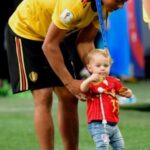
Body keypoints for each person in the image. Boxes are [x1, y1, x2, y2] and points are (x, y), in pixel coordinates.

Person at [5, 0, 128, 149]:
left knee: (69, 97)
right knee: (43, 95)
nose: (121, 6)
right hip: (26, 31)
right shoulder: (74, 4)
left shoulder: (104, 7)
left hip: (53, 36)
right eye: (119, 0)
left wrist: (98, 75)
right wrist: (70, 82)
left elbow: (85, 41)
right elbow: (49, 46)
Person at [80, 49, 132, 150]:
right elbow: (83, 88)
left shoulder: (113, 81)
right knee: (102, 147)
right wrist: (89, 79)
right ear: (89, 68)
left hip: (113, 124)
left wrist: (128, 92)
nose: (102, 68)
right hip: (98, 123)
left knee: (120, 146)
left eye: (106, 65)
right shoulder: (91, 82)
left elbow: (122, 90)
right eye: (98, 66)